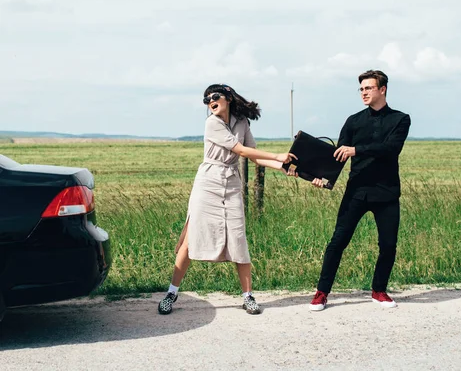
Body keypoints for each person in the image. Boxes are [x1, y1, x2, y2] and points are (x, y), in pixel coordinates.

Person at [158, 83, 296, 315]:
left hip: (231, 183)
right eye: (206, 99)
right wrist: (277, 155)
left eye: (214, 96)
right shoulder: (211, 123)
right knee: (191, 240)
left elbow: (254, 156)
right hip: (208, 182)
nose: (210, 100)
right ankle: (171, 293)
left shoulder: (242, 122)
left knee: (238, 238)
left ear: (228, 98)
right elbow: (241, 150)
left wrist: (281, 166)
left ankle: (248, 296)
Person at [308, 70, 411, 311]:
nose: (364, 93)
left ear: (382, 89)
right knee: (337, 242)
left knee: (388, 245)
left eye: (369, 88)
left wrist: (356, 150)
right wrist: (322, 178)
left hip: (386, 193)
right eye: (361, 89)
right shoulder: (353, 121)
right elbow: (338, 157)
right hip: (357, 191)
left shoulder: (400, 119)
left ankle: (379, 291)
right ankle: (321, 293)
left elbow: (390, 149)